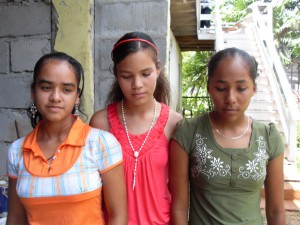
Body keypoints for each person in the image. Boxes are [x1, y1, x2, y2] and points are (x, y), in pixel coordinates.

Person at [6, 52, 127, 225]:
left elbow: (118, 216)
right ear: (33, 92)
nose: (55, 97)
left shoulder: (101, 144)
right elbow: (16, 219)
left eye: (66, 90)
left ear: (77, 96)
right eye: (46, 87)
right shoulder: (17, 151)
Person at [169, 47, 286, 225]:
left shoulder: (268, 137)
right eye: (221, 88)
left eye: (241, 88)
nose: (231, 98)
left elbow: (276, 210)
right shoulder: (189, 132)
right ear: (209, 87)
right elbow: (179, 207)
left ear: (253, 88)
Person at [90, 31, 183, 225]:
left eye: (145, 74)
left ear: (158, 69)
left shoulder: (174, 124)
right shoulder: (101, 123)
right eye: (126, 76)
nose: (137, 84)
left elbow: (179, 194)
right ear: (116, 74)